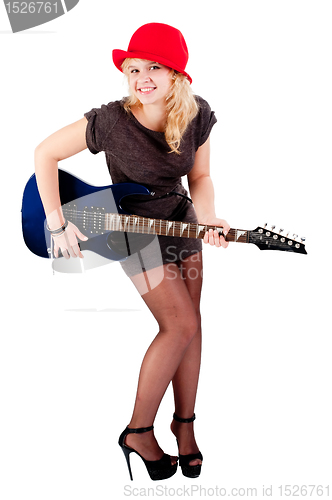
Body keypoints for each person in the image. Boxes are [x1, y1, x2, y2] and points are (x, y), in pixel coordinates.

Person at [34, 22, 230, 481]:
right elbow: (44, 153)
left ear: (176, 75)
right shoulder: (111, 120)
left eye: (154, 68)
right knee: (178, 324)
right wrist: (56, 223)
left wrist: (207, 216)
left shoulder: (198, 114)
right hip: (129, 230)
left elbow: (199, 178)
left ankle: (184, 428)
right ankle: (138, 431)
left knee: (193, 327)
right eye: (134, 68)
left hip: (179, 221)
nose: (142, 78)